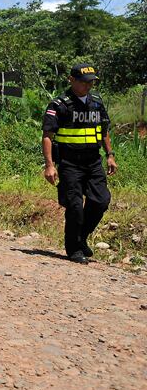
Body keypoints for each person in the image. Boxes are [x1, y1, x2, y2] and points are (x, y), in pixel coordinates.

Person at [42, 63, 117, 264]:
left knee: (101, 200)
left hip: (93, 161)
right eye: (84, 82)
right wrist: (49, 165)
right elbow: (47, 136)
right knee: (75, 206)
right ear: (72, 80)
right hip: (70, 163)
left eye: (91, 82)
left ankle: (81, 236)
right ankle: (74, 248)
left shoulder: (97, 103)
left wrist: (110, 154)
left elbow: (103, 130)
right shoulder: (59, 104)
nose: (89, 85)